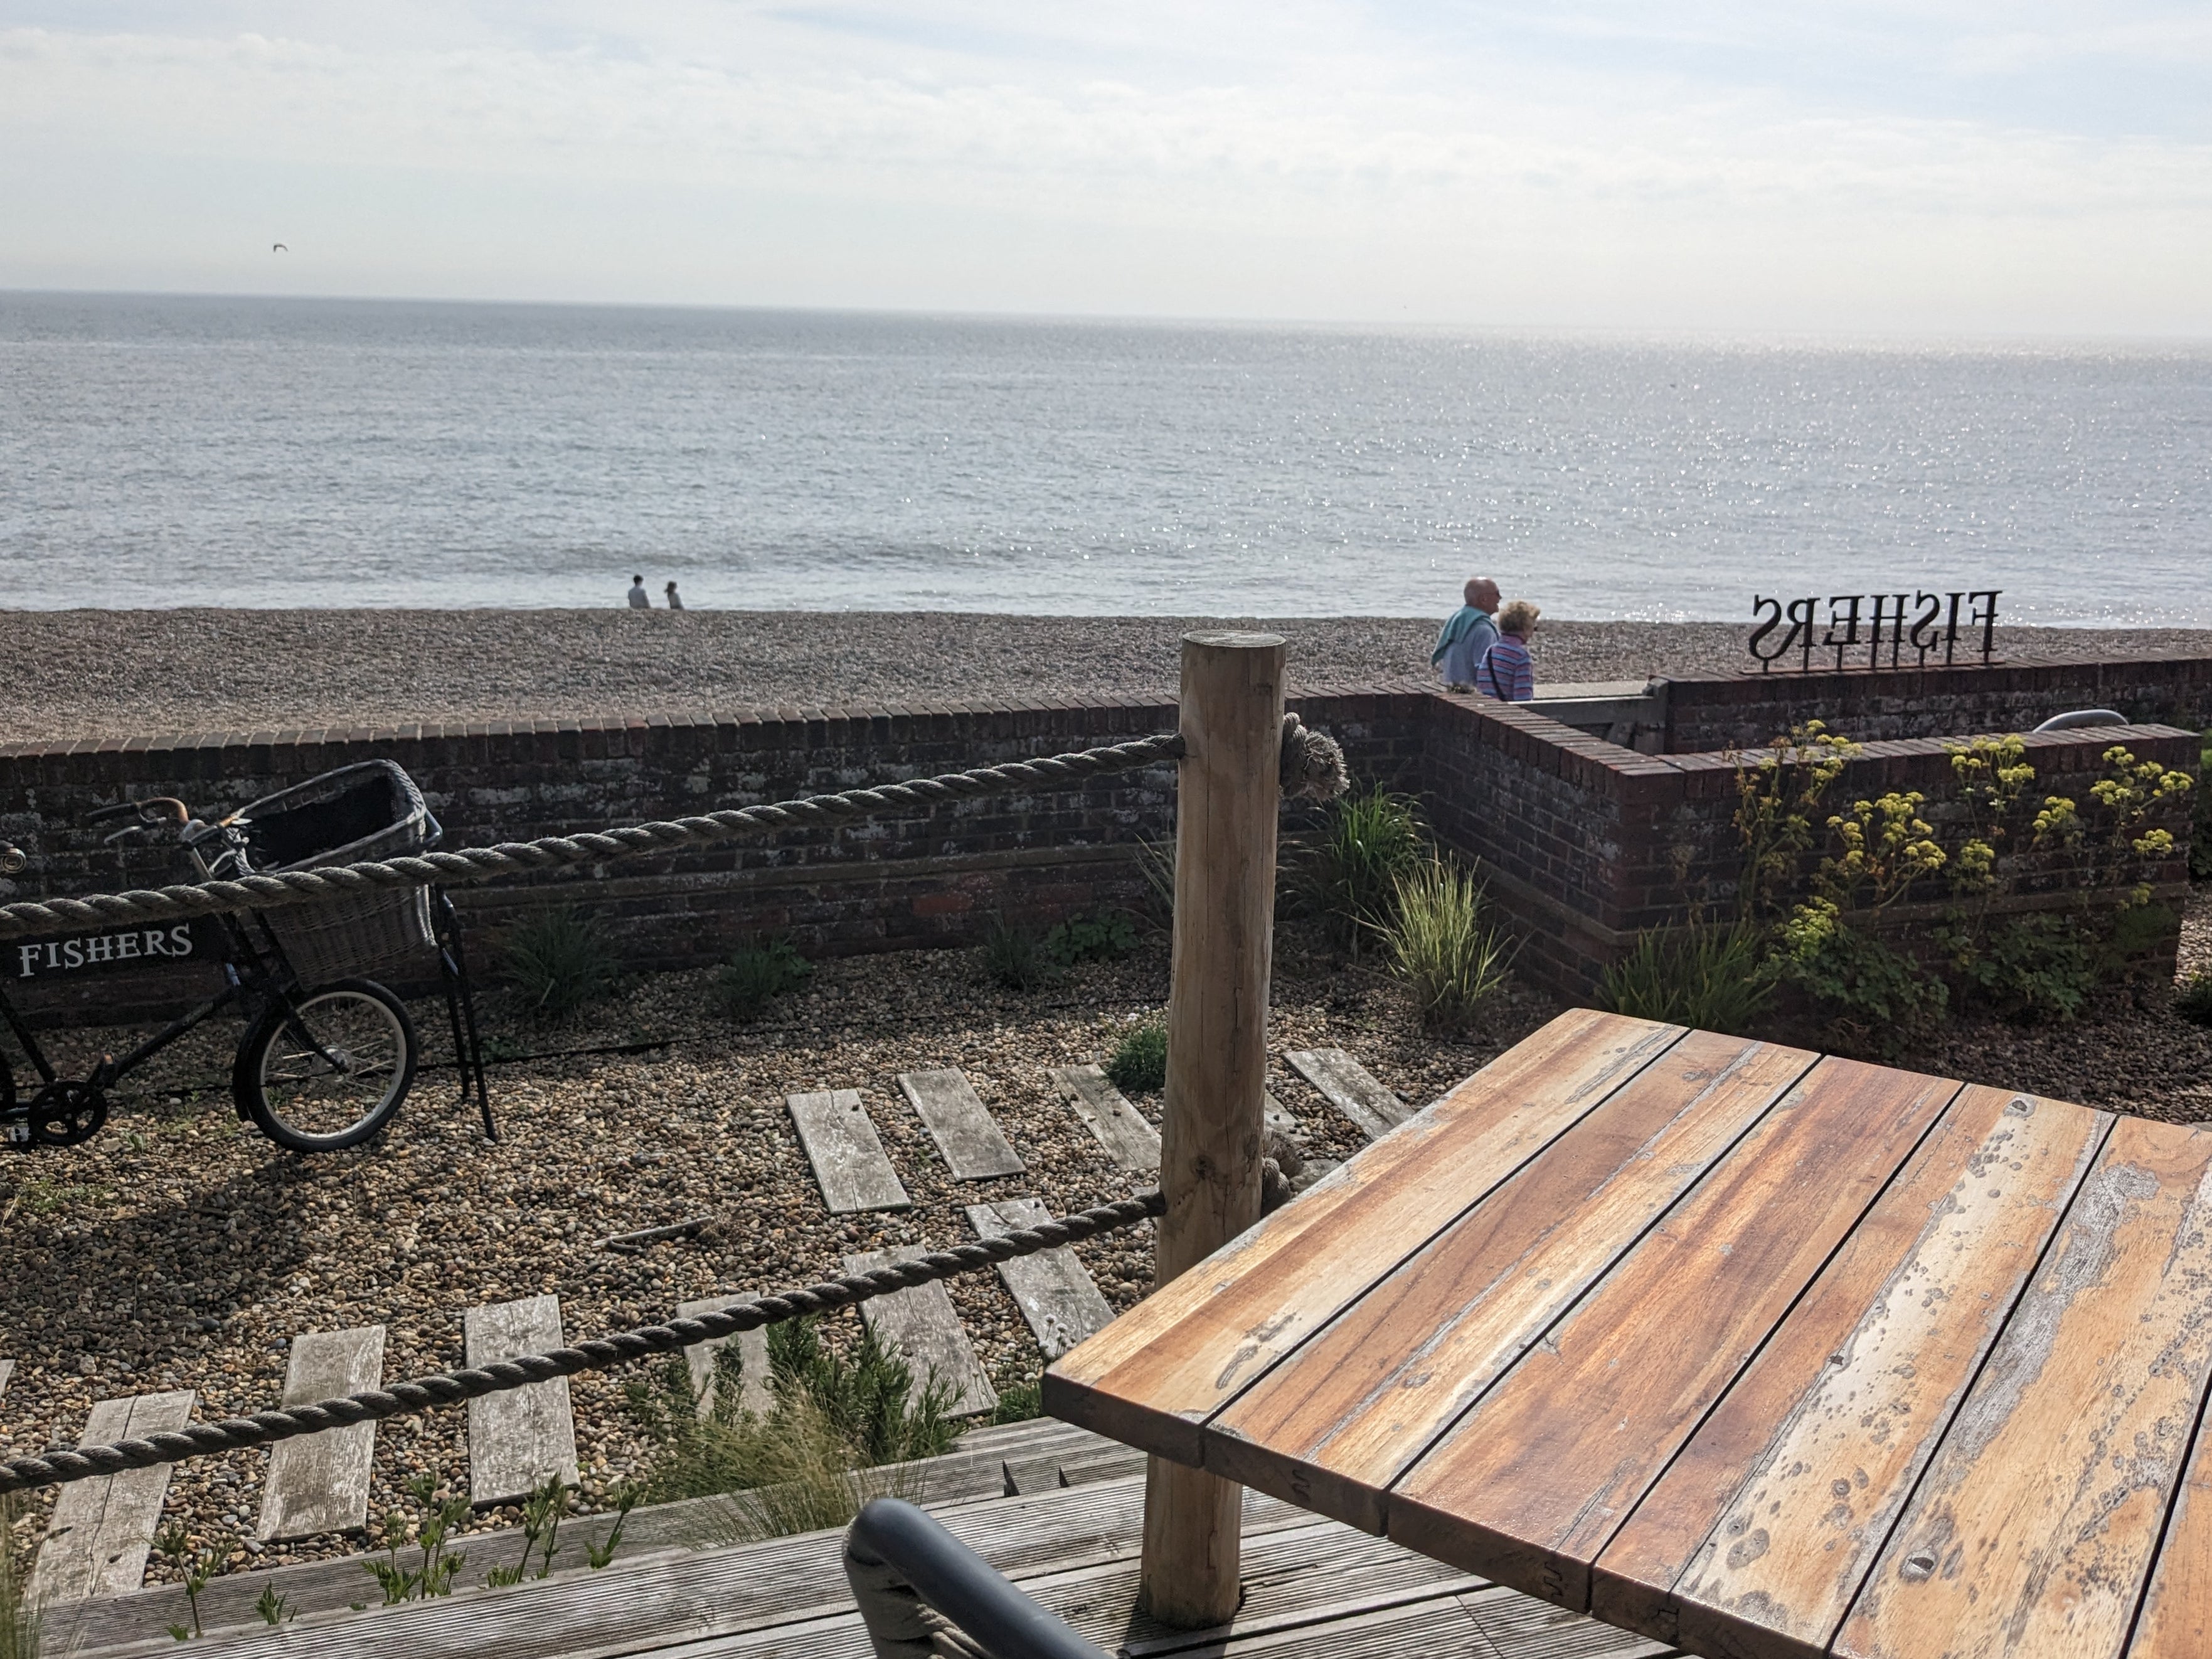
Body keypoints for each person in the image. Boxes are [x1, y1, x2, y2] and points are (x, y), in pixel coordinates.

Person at [1432, 577, 1500, 688]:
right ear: (1484, 599)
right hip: (1471, 696)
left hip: (1451, 689)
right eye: (1497, 594)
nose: (1500, 598)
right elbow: (1486, 674)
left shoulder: (1458, 622)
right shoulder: (1484, 630)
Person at [1476, 600, 1540, 701]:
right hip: (1505, 714)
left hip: (1487, 710)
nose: (1533, 633)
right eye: (1534, 628)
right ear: (1525, 628)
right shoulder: (1521, 656)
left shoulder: (1490, 651)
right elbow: (1523, 699)